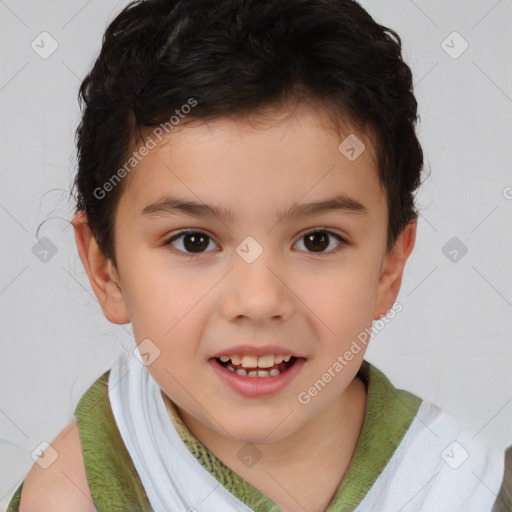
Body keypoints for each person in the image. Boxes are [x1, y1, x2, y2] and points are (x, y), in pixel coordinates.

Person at [7, 0, 511, 510]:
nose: (259, 299)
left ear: (389, 266)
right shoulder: (77, 494)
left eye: (317, 240)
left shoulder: (470, 485)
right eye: (194, 241)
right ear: (105, 270)